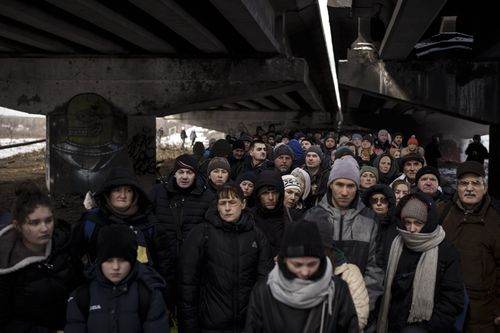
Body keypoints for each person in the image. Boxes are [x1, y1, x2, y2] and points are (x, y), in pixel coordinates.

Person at [178, 184, 272, 333]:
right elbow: (188, 284)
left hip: (247, 324)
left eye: (232, 202)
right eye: (222, 203)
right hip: (210, 324)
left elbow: (264, 282)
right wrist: (189, 326)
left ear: (243, 204)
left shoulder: (257, 236)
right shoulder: (202, 234)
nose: (227, 208)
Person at [244, 221, 360, 332]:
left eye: (312, 264)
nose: (305, 272)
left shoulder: (337, 290)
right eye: (297, 264)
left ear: (322, 261)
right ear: (284, 261)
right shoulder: (264, 291)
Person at [302, 158, 384, 314]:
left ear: (357, 187)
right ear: (331, 185)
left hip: (358, 306)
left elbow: (375, 270)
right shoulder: (312, 217)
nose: (345, 192)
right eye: (339, 184)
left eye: (350, 186)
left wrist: (363, 308)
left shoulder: (370, 220)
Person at [0, 181, 82, 332]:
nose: (44, 228)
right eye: (34, 223)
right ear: (18, 226)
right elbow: (5, 322)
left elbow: (81, 290)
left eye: (48, 220)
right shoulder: (6, 263)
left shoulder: (64, 245)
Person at [377, 193, 464, 333]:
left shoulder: (445, 250)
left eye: (418, 223)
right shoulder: (396, 244)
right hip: (393, 323)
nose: (411, 229)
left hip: (427, 326)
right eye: (407, 222)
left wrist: (427, 328)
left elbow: (453, 298)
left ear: (428, 222)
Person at [66, 224, 169, 333]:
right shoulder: (82, 295)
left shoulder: (148, 293)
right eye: (109, 260)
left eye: (122, 260)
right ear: (99, 261)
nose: (115, 267)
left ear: (132, 261)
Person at [439, 161, 500, 332]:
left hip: (482, 313)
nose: (470, 188)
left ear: (485, 187)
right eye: (464, 183)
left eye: (476, 183)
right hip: (446, 306)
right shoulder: (443, 213)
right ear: (457, 187)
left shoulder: (496, 219)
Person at [252, 170, 288, 257]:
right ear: (258, 195)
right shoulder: (248, 217)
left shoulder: (292, 217)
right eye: (265, 193)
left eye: (275, 192)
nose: (271, 198)